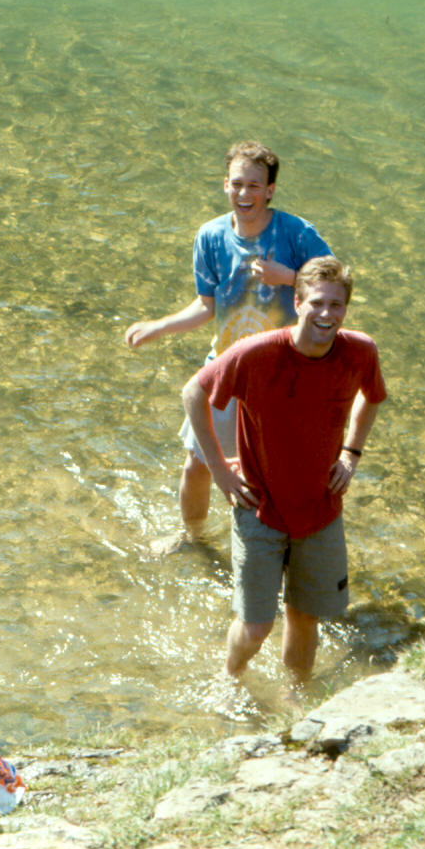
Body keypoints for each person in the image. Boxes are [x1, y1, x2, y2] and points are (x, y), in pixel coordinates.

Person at [182, 256, 387, 683]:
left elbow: (373, 396)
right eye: (316, 303)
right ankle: (230, 675)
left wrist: (351, 453)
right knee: (257, 626)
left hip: (321, 510)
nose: (326, 314)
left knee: (304, 616)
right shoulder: (257, 354)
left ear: (346, 308)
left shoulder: (360, 351)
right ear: (297, 302)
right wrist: (219, 469)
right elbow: (192, 394)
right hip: (259, 508)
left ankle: (296, 695)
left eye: (336, 305)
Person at [125, 141, 331, 550]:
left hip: (283, 372)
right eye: (237, 184)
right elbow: (207, 306)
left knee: (281, 470)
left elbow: (332, 287)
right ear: (225, 185)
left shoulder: (296, 233)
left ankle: (287, 544)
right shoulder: (211, 236)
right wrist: (159, 327)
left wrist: (287, 277)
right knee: (198, 462)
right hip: (226, 367)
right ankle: (192, 538)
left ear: (270, 190)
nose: (244, 194)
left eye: (254, 185)